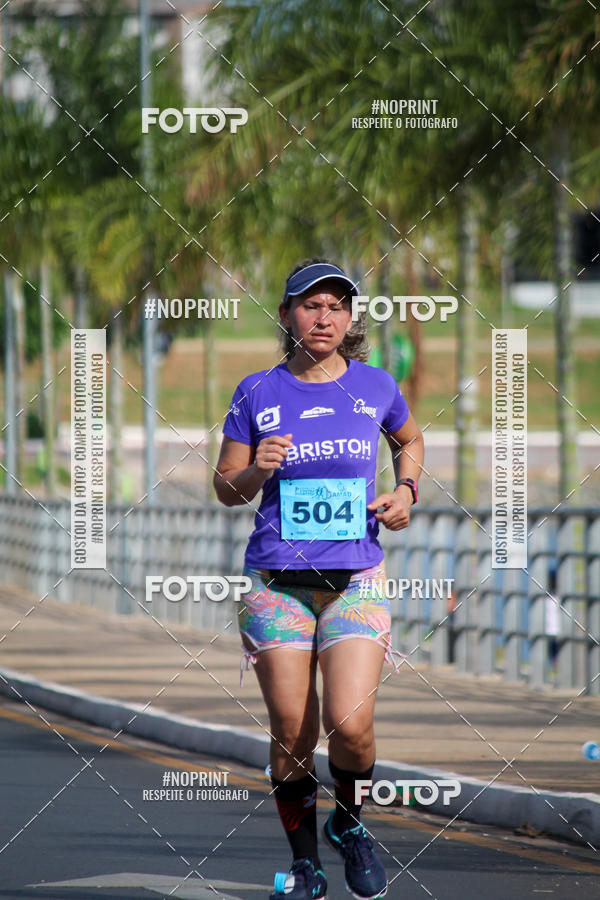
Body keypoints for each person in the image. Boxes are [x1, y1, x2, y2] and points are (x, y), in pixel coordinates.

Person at [214, 258, 424, 900]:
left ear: (351, 317)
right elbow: (226, 487)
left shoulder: (377, 385)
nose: (324, 316)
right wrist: (258, 472)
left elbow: (409, 438)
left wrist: (406, 491)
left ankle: (351, 825)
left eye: (336, 305)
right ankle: (305, 863)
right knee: (293, 730)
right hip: (277, 582)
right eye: (310, 305)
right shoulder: (257, 391)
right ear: (286, 316)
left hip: (356, 578)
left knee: (351, 724)